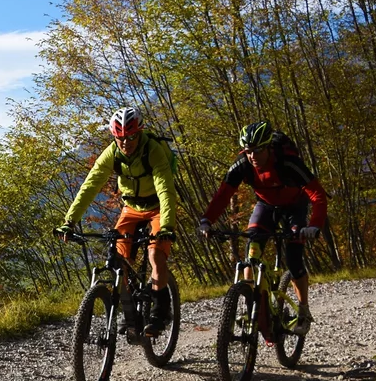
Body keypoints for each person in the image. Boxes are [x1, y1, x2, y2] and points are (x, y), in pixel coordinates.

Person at [197, 120, 328, 335]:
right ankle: (249, 306)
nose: (252, 156)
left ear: (268, 147)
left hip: (295, 207)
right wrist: (206, 221)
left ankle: (303, 311)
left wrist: (314, 225)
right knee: (252, 251)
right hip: (265, 206)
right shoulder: (242, 165)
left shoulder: (288, 163)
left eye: (258, 150)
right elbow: (222, 195)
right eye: (248, 151)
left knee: (294, 259)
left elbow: (317, 194)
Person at [57, 107, 178, 337]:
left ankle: (160, 312)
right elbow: (90, 185)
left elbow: (165, 188)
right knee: (118, 260)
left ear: (139, 133)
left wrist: (167, 226)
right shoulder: (112, 153)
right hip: (131, 208)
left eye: (131, 137)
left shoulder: (153, 150)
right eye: (120, 138)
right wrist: (69, 221)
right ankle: (130, 314)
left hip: (157, 208)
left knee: (155, 254)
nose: (125, 143)